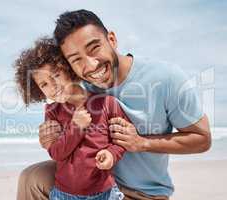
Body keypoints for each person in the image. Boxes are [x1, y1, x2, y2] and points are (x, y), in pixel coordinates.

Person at [16, 10, 211, 200]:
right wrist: (49, 135)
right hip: (90, 180)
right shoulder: (75, 87)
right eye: (76, 60)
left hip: (141, 192)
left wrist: (142, 143)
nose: (91, 66)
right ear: (68, 66)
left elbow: (202, 138)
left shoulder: (166, 78)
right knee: (32, 178)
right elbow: (60, 131)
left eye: (94, 48)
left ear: (112, 39)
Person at [14, 37, 131, 199]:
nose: (53, 86)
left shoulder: (106, 103)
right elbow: (56, 153)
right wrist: (76, 127)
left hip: (106, 193)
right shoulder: (52, 111)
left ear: (69, 69)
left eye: (56, 75)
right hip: (64, 194)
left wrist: (111, 154)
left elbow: (122, 141)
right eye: (44, 84)